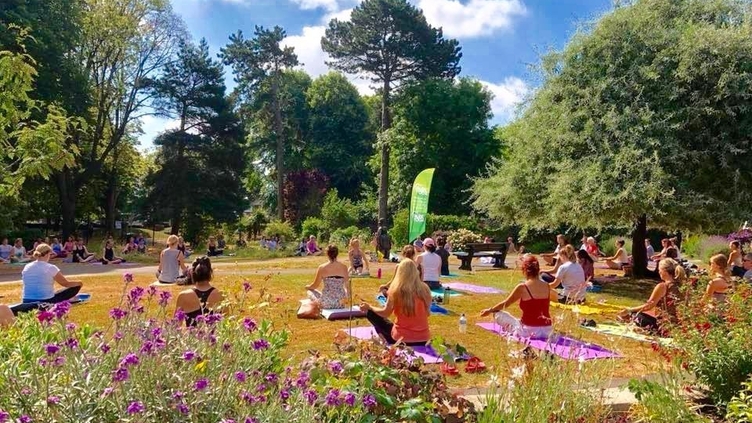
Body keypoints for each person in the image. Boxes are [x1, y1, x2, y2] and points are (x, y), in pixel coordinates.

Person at [480, 255, 557, 338]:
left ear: (524, 270)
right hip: (547, 330)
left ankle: (511, 328)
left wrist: (490, 310)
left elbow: (506, 303)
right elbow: (554, 298)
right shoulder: (547, 286)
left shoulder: (523, 287)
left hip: (528, 330)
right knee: (516, 320)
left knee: (498, 314)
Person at [359, 260, 432, 346]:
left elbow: (385, 313)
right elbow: (427, 313)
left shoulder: (395, 290)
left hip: (401, 338)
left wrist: (370, 307)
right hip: (423, 338)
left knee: (371, 313)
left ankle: (384, 341)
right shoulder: (425, 288)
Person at [618, 258, 684, 333]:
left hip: (664, 326)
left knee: (633, 315)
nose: (659, 272)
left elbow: (648, 306)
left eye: (660, 270)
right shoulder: (683, 286)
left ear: (665, 271)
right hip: (678, 326)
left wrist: (629, 310)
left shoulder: (662, 286)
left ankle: (643, 329)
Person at [176, 256, 224, 327]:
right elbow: (226, 324)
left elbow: (176, 326)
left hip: (193, 336)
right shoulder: (220, 295)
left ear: (192, 273)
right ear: (210, 272)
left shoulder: (183, 296)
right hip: (215, 337)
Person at [306, 245, 350, 309]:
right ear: (337, 254)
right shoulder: (344, 267)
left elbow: (315, 285)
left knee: (309, 292)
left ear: (327, 254)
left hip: (326, 303)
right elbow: (348, 286)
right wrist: (347, 299)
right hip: (340, 303)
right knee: (345, 290)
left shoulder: (322, 267)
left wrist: (308, 287)